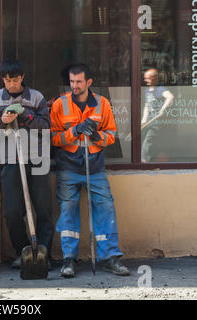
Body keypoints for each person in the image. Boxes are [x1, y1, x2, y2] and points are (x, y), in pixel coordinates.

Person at [50, 63, 130, 278]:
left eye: (78, 82)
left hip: (94, 167)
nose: (74, 86)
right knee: (68, 212)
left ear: (89, 82)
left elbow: (111, 135)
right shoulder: (60, 104)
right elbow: (54, 138)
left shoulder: (102, 104)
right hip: (68, 166)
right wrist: (75, 131)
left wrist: (96, 136)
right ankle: (69, 259)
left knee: (105, 209)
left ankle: (110, 257)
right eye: (72, 81)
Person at [0, 59, 54, 269]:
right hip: (10, 159)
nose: (10, 84)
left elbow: (46, 126)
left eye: (14, 80)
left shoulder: (36, 97)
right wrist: (2, 122)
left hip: (37, 158)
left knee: (43, 210)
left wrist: (26, 114)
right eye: (6, 80)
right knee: (13, 212)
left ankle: (43, 255)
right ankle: (23, 251)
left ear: (22, 77)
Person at [141, 68, 175, 162]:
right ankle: (150, 159)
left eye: (147, 78)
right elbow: (147, 105)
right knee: (148, 141)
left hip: (156, 121)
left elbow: (170, 97)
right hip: (148, 120)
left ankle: (144, 162)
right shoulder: (147, 90)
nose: (145, 80)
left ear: (154, 78)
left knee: (147, 141)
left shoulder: (160, 89)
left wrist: (163, 109)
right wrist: (144, 119)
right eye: (145, 78)